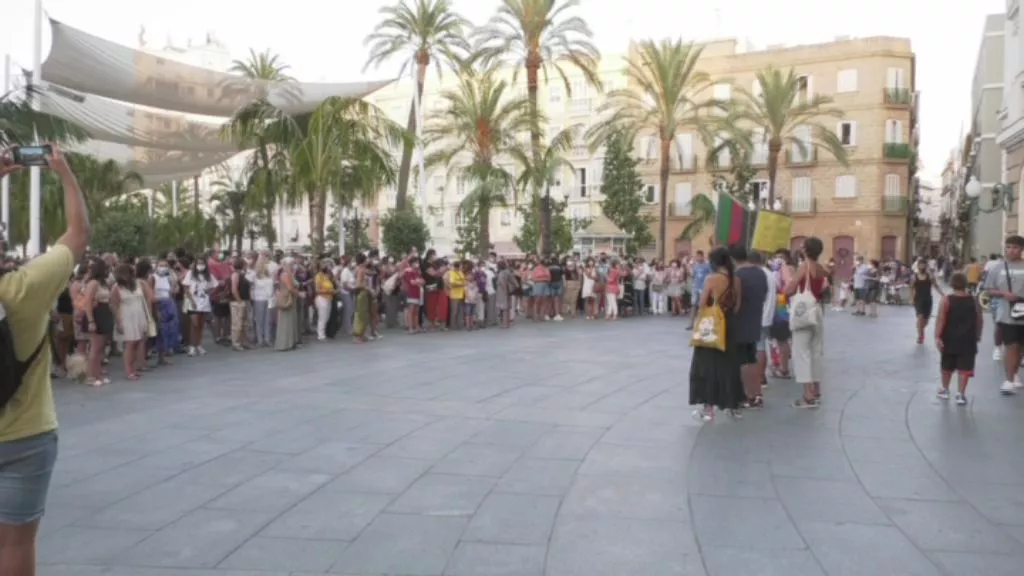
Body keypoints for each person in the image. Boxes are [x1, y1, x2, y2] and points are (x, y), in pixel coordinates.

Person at [0, 144, 90, 576]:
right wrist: (65, 173)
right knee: (16, 543)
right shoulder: (24, 287)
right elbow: (77, 233)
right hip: (26, 435)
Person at [689, 247, 743, 421]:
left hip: (713, 327)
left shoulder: (711, 279)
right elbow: (737, 305)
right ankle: (731, 404)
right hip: (730, 325)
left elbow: (703, 303)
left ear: (714, 262)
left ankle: (708, 408)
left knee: (707, 366)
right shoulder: (736, 280)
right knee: (730, 365)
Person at [785, 237, 828, 408]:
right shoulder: (821, 268)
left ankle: (808, 395)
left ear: (805, 250)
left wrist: (789, 283)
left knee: (801, 353)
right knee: (816, 352)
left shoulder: (804, 267)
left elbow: (790, 289)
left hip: (803, 313)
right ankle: (816, 389)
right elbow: (824, 287)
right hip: (817, 310)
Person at [984, 235, 1024, 394]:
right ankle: (1009, 380)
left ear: (1021, 249)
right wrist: (1003, 293)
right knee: (1011, 346)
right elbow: (988, 289)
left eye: (1015, 247)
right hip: (1006, 314)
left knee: (1020, 348)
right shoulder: (997, 268)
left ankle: (1014, 374)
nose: (1011, 250)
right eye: (1008, 247)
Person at [730, 245, 769, 408]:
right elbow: (765, 293)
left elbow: (733, 300)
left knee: (740, 361)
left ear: (732, 259)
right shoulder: (760, 273)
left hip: (740, 322)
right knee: (751, 359)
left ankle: (746, 394)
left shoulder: (737, 275)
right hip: (755, 319)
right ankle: (757, 394)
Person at [935, 272, 982, 406]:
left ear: (951, 284)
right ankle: (960, 394)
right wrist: (978, 335)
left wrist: (937, 336)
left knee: (947, 366)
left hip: (949, 339)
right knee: (965, 368)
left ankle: (945, 389)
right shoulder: (974, 300)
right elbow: (979, 319)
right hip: (968, 339)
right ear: (965, 284)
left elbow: (940, 319)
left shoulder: (946, 300)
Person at [911, 259, 943, 344]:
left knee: (925, 321)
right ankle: (920, 336)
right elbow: (911, 288)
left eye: (923, 265)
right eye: (920, 265)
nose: (922, 266)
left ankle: (920, 327)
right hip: (918, 299)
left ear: (926, 266)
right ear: (918, 266)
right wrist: (911, 298)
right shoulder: (914, 276)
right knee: (920, 317)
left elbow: (936, 286)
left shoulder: (930, 276)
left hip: (928, 299)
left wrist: (943, 295)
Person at [687, 251, 711, 329]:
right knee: (693, 305)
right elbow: (693, 275)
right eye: (696, 256)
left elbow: (711, 275)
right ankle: (691, 324)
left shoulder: (707, 265)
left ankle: (702, 323)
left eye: (699, 256)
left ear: (702, 256)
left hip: (704, 288)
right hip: (696, 288)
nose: (697, 258)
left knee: (703, 305)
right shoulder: (695, 266)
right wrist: (688, 268)